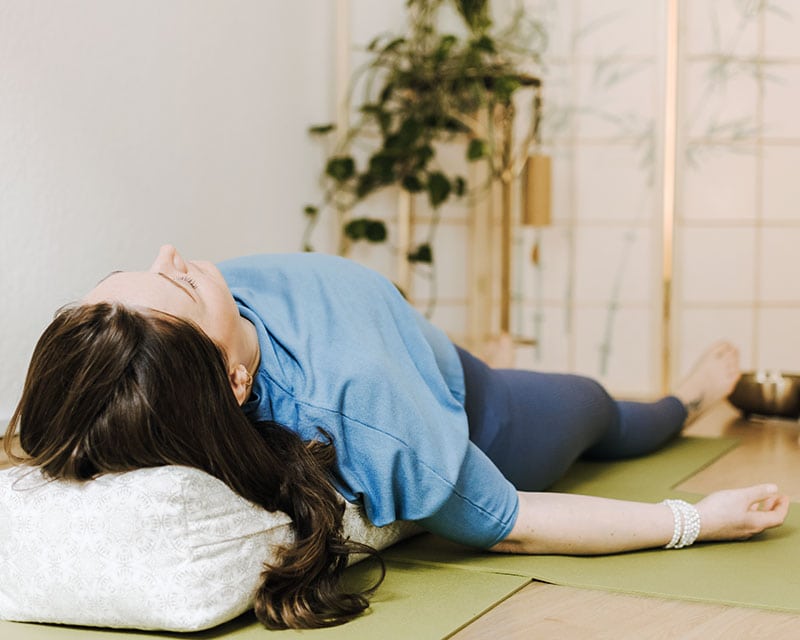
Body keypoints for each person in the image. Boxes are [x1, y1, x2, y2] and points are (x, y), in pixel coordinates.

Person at [5, 245, 789, 629]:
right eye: (177, 285)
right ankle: (686, 400)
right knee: (607, 412)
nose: (173, 257)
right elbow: (511, 525)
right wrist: (697, 520)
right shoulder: (359, 408)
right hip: (484, 408)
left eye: (144, 272)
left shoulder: (156, 352)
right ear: (233, 383)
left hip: (411, 348)